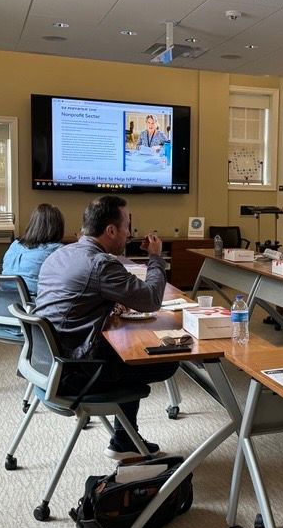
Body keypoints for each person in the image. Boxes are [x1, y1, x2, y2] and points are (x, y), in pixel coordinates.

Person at [33, 195, 178, 460]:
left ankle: (125, 439)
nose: (129, 234)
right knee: (161, 359)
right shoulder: (101, 264)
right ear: (111, 230)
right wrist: (155, 259)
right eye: (127, 227)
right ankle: (124, 440)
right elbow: (150, 300)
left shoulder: (60, 254)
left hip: (46, 364)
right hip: (76, 373)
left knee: (126, 347)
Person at [0, 203, 65, 297]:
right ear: (58, 227)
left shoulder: (15, 244)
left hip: (0, 302)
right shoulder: (57, 250)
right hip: (32, 305)